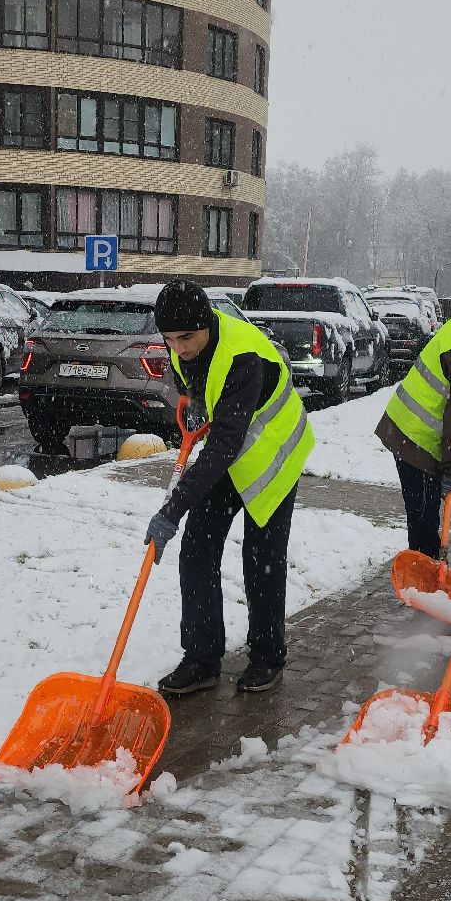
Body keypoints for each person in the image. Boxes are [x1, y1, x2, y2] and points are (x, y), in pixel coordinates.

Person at [144, 280, 314, 696]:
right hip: (231, 449)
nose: (178, 348)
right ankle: (202, 660)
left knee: (262, 558)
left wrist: (172, 510)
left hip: (272, 455)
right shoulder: (183, 342)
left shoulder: (243, 356)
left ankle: (267, 657)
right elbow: (199, 390)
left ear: (206, 324)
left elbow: (222, 446)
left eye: (186, 338)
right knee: (197, 549)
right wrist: (196, 398)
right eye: (169, 339)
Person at [375, 304, 451, 557]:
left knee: (421, 517)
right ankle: (423, 579)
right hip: (419, 436)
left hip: (406, 419)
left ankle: (424, 566)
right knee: (424, 522)